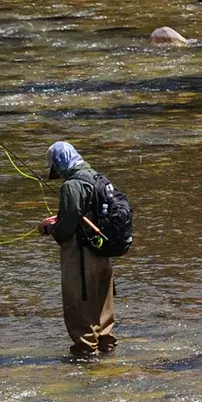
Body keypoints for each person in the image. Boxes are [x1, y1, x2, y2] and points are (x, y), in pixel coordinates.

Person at [38, 141, 118, 355]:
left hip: (82, 256)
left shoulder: (72, 185)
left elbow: (67, 228)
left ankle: (85, 358)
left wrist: (49, 229)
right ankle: (106, 352)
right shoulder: (98, 177)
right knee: (103, 304)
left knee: (79, 305)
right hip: (103, 251)